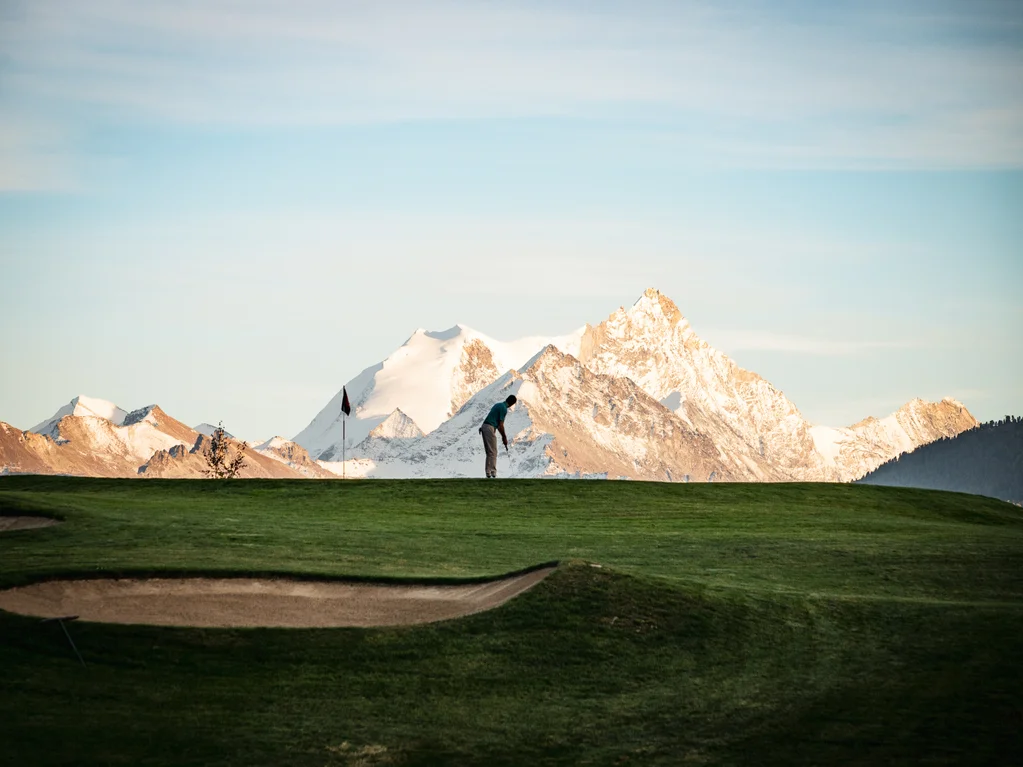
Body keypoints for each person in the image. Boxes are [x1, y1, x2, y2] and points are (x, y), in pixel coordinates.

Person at [479, 395, 516, 478]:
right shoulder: (504, 409)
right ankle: (493, 472)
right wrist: (504, 437)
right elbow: (500, 425)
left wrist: (502, 436)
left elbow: (496, 423)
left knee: (489, 451)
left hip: (485, 427)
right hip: (489, 427)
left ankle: (488, 472)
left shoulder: (498, 405)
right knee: (493, 451)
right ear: (512, 404)